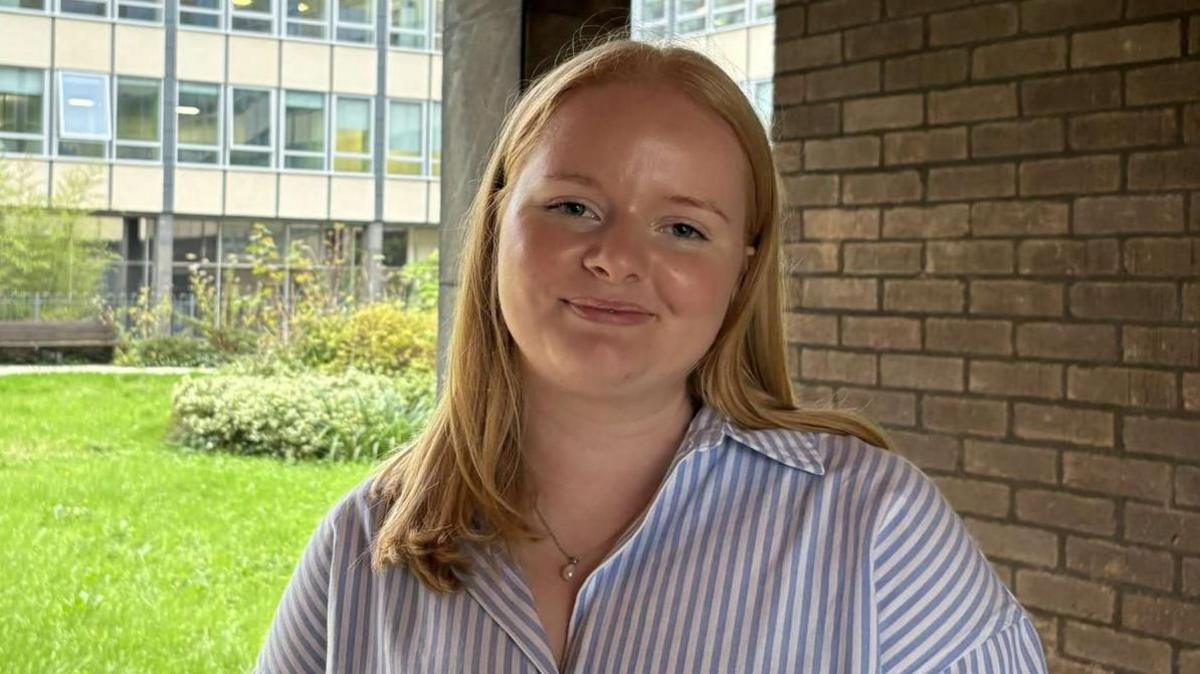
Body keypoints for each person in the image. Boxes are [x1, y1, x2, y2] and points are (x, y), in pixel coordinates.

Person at [255, 37, 1049, 673]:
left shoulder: (873, 529)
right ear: (498, 223)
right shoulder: (364, 547)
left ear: (742, 265)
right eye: (573, 207)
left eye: (683, 228)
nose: (615, 257)